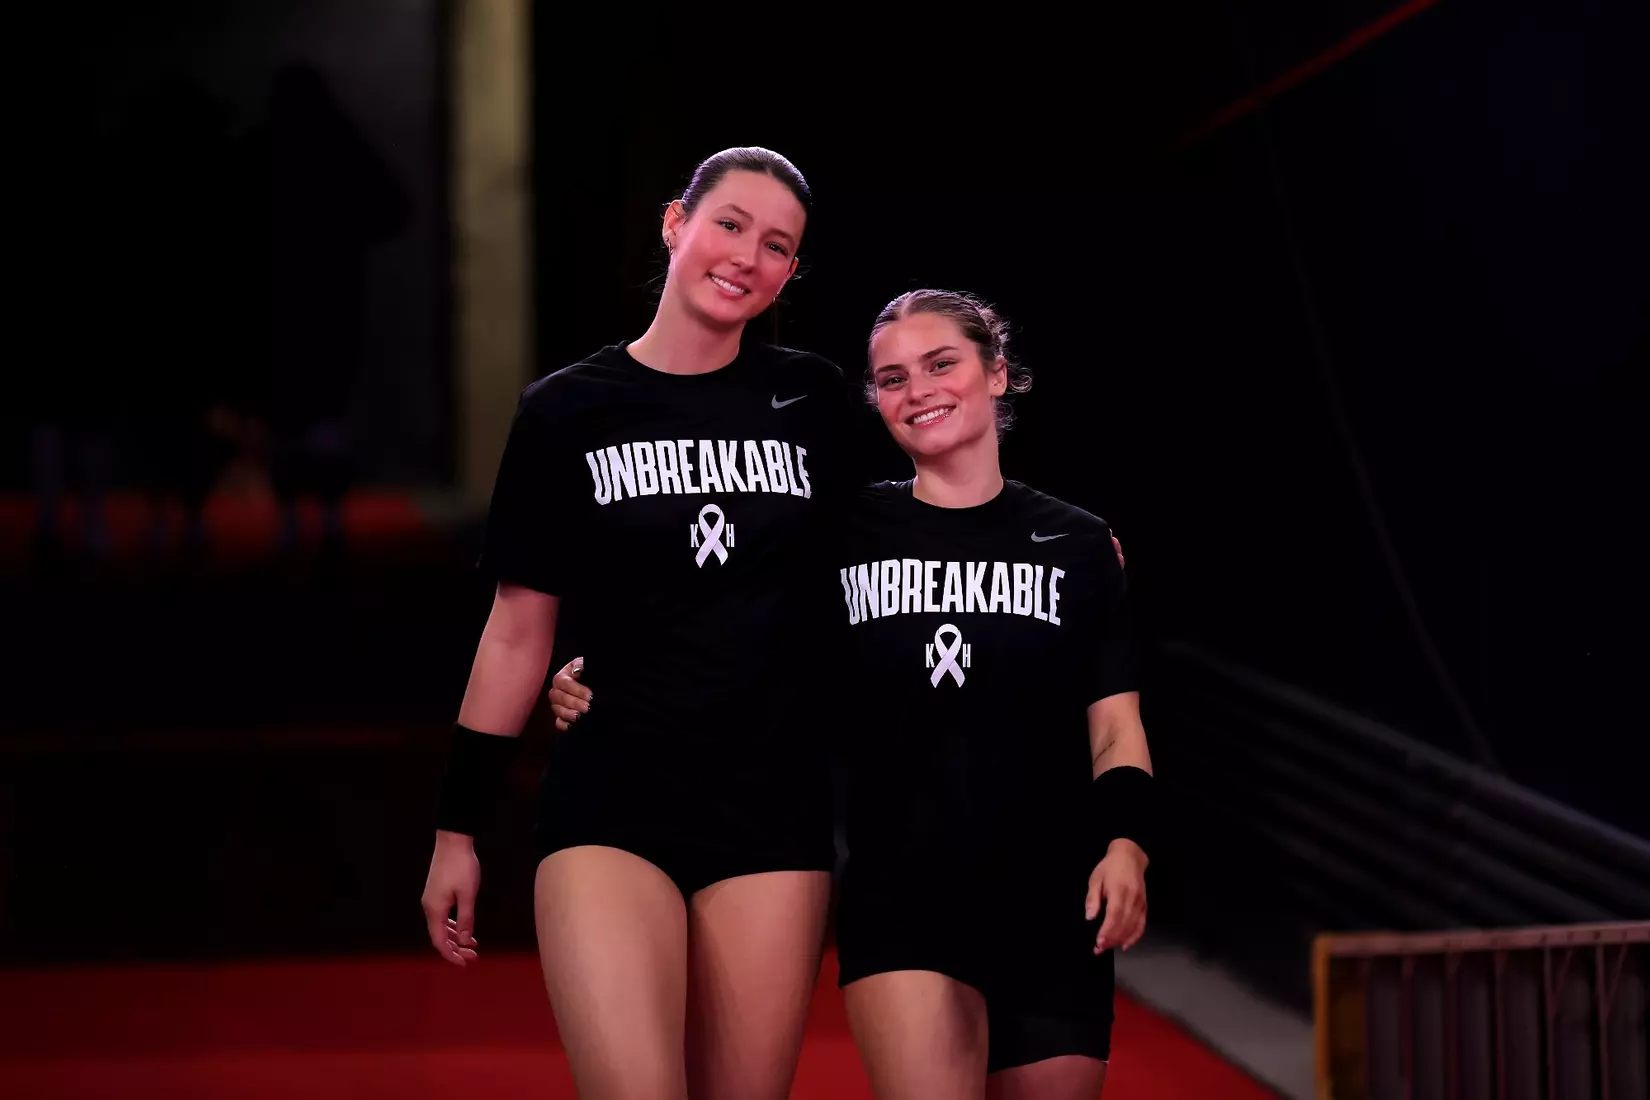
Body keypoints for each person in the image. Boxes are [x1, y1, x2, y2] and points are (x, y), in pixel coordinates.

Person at [550, 290, 1153, 1098]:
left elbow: (1115, 726)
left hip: (1051, 908)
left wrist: (1126, 845)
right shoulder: (837, 533)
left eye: (942, 364)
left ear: (998, 373)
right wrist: (588, 663)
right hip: (903, 900)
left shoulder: (1078, 543)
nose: (920, 390)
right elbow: (709, 606)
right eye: (892, 378)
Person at [420, 147, 869, 1100]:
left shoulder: (816, 399)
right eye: (732, 224)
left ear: (792, 271)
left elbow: (891, 545)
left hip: (770, 813)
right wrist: (457, 829)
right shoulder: (566, 410)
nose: (749, 256)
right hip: (612, 801)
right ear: (676, 223)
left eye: (779, 245)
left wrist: (1061, 538)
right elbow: (513, 632)